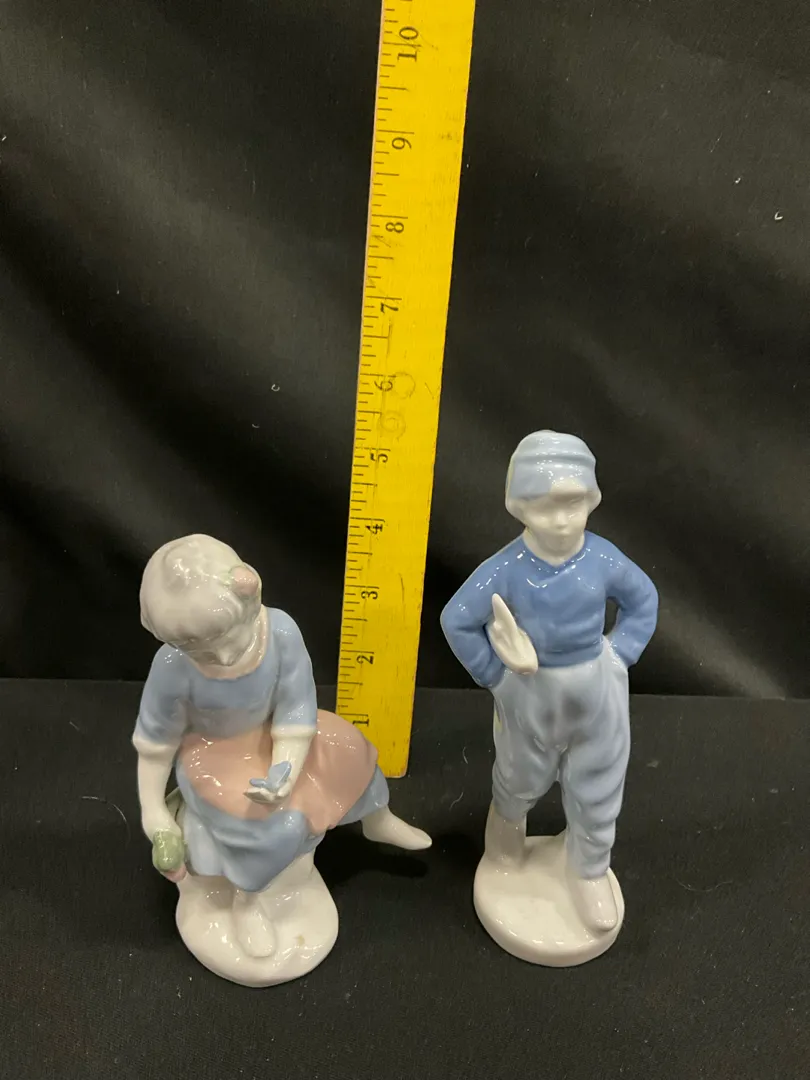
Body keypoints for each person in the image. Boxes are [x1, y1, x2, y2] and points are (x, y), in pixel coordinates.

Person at [134, 534, 430, 959]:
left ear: (251, 595)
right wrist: (154, 811)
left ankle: (376, 818)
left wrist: (284, 767)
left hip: (281, 736)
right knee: (276, 821)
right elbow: (156, 745)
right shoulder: (170, 667)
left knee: (348, 745)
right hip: (214, 757)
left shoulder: (281, 631)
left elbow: (296, 707)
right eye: (198, 649)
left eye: (228, 636)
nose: (222, 655)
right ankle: (247, 899)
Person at [441, 431, 657, 932]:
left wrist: (620, 653)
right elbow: (457, 620)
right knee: (519, 776)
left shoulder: (603, 560)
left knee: (599, 782)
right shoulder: (506, 569)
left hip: (597, 690)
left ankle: (589, 871)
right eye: (544, 506)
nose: (561, 520)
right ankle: (504, 849)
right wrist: (496, 676)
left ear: (591, 500)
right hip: (530, 692)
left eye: (573, 504)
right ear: (519, 506)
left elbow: (643, 601)